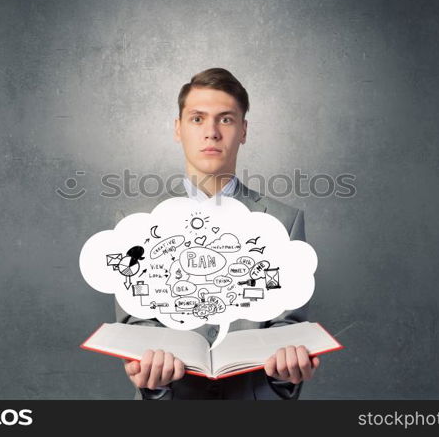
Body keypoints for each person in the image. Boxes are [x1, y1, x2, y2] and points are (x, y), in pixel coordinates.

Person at [114, 68, 320, 399]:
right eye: (197, 119)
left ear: (243, 130)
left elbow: (287, 328)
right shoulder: (136, 223)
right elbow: (138, 325)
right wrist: (150, 374)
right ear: (178, 129)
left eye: (225, 119)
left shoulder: (285, 221)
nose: (211, 132)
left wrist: (288, 373)